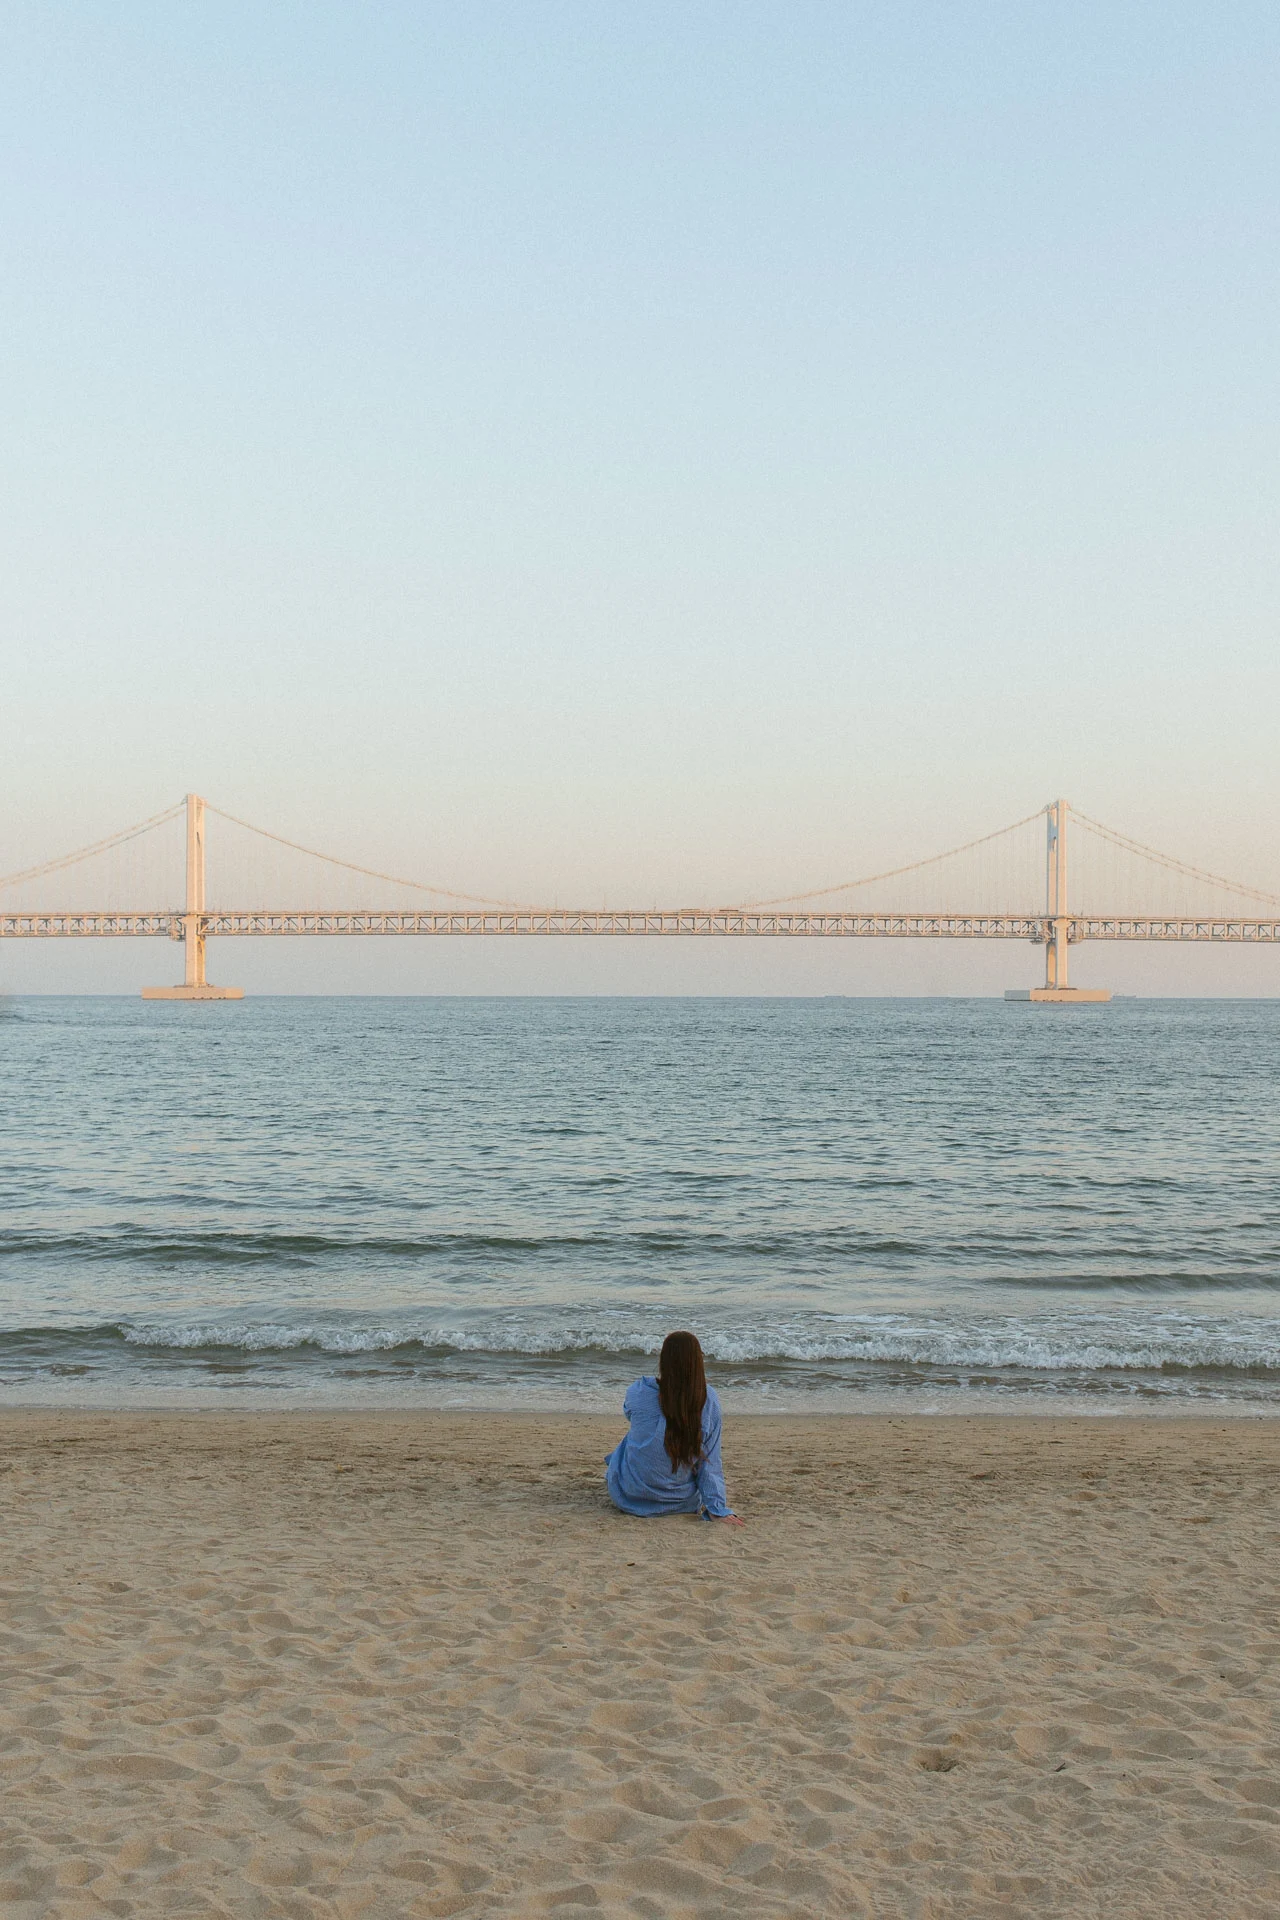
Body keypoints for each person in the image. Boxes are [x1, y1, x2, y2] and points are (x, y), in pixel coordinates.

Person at [605, 1330, 742, 1523]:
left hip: (629, 1497)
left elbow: (629, 1413)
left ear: (663, 1360)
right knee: (699, 1448)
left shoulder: (639, 1390)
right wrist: (717, 1509)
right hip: (680, 1503)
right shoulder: (708, 1400)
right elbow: (710, 1462)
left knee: (633, 1438)